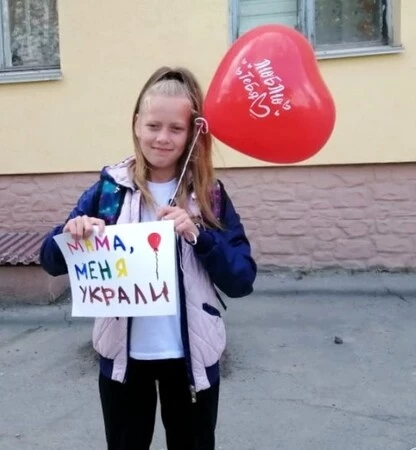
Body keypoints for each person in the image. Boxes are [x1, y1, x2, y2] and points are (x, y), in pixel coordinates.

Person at [39, 66, 257, 450]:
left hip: (191, 360)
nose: (162, 138)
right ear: (137, 124)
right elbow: (50, 260)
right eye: (153, 125)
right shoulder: (110, 191)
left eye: (176, 128)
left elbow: (241, 280)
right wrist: (71, 234)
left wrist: (199, 235)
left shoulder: (209, 195)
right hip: (124, 361)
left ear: (192, 133)